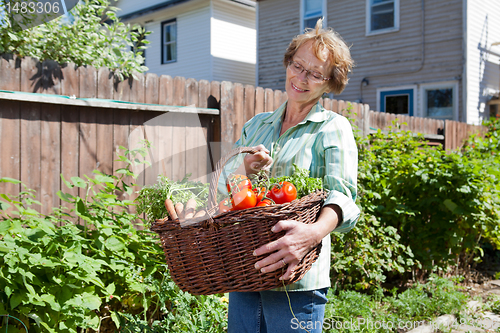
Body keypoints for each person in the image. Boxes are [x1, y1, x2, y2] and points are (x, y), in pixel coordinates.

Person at [225, 18, 360, 333]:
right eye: (298, 66)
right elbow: (223, 190)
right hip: (246, 270)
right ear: (288, 63)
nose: (302, 78)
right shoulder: (256, 125)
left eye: (315, 73)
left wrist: (309, 236)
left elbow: (344, 199)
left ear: (330, 82)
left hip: (297, 279)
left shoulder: (332, 128)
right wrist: (243, 169)